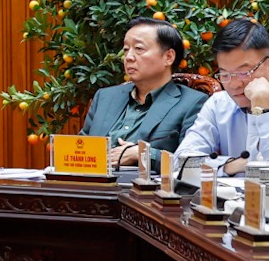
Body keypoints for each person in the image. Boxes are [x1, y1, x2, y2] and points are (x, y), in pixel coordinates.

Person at [173, 18, 269, 172]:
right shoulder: (218, 104)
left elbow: (268, 173)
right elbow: (180, 162)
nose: (234, 84)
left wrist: (260, 109)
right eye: (225, 74)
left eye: (243, 73)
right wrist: (233, 164)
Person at [81, 17, 207, 170]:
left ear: (168, 57)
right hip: (93, 181)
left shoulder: (193, 103)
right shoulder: (105, 97)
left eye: (139, 49)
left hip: (146, 184)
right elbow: (80, 147)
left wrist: (143, 154)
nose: (128, 57)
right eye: (126, 49)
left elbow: (193, 163)